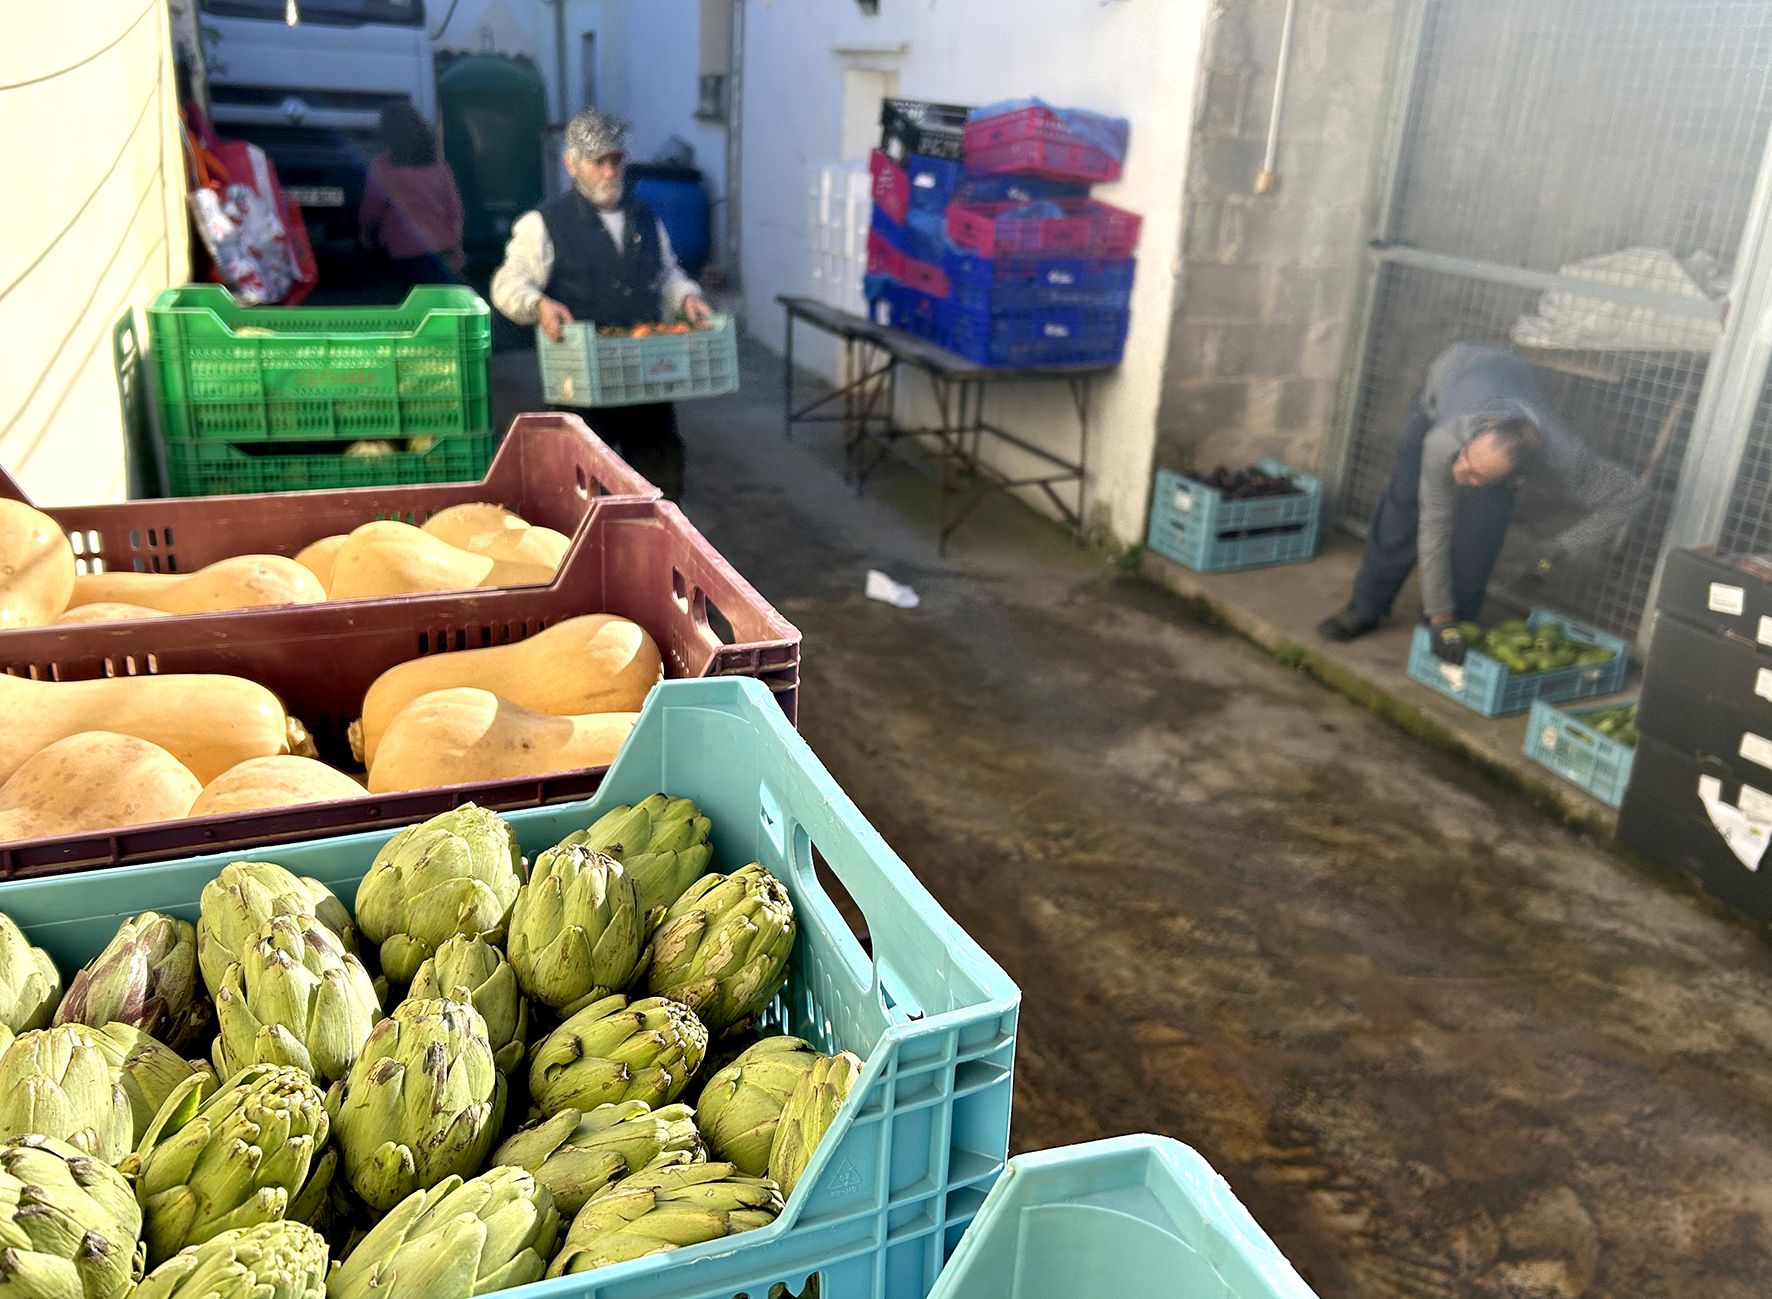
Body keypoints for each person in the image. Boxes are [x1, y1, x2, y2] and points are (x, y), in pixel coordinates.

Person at [1317, 342, 1646, 664]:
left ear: (1518, 477)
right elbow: (1435, 528)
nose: (1460, 473)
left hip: (1512, 398)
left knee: (1481, 533)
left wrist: (1560, 547)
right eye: (1465, 461)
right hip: (1447, 386)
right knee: (1402, 512)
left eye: (1475, 475)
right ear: (1476, 436)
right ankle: (1365, 608)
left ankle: (1460, 624)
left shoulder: (1564, 455)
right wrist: (1439, 616)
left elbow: (1629, 496)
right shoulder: (1445, 440)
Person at [491, 109, 711, 499]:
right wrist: (537, 304)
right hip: (582, 391)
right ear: (572, 163)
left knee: (661, 490)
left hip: (646, 383)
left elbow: (666, 274)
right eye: (598, 162)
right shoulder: (544, 224)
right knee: (584, 495)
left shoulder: (645, 218)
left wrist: (686, 295)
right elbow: (508, 283)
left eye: (616, 160)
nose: (609, 172)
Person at [358, 101, 465, 294]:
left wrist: (365, 235)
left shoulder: (381, 167)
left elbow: (370, 212)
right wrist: (457, 249)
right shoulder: (438, 166)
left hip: (399, 255)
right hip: (440, 251)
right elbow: (454, 212)